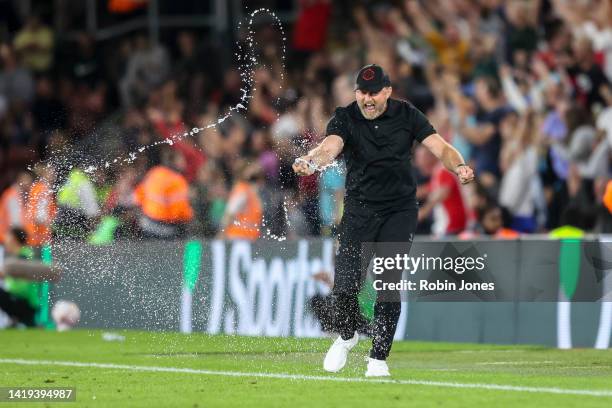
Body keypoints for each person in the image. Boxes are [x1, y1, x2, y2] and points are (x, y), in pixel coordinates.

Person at [293, 64, 474, 377]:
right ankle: (347, 336)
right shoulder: (345, 117)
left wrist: (458, 167)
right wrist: (311, 161)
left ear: (388, 91)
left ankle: (378, 359)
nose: (368, 99)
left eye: (374, 92)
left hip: (399, 211)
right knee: (345, 288)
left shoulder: (407, 115)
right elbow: (329, 148)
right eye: (362, 92)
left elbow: (440, 147)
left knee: (388, 284)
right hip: (359, 210)